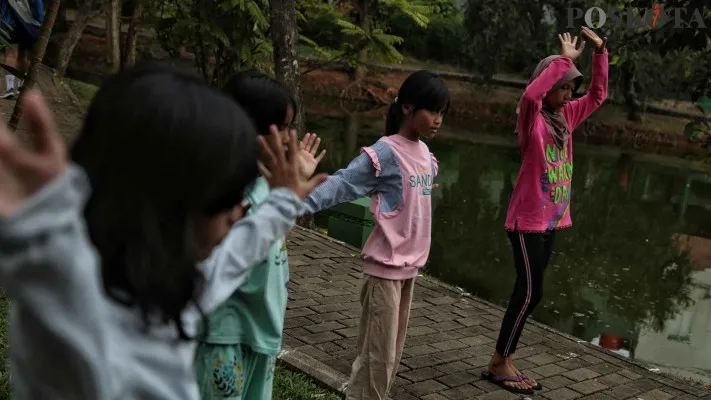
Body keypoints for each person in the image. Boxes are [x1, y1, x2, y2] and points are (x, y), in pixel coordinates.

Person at [0, 62, 326, 399]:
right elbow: (61, 295)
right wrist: (44, 230)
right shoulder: (82, 314)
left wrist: (283, 201)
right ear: (172, 206)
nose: (239, 213)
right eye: (228, 196)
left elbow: (237, 255)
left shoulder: (177, 290)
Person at [302, 70, 449, 400]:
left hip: (409, 271)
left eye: (442, 112)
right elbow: (343, 183)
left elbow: (411, 195)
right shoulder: (385, 153)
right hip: (384, 270)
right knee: (377, 361)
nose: (439, 120)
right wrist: (299, 199)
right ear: (408, 109)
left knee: (388, 359)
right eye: (433, 111)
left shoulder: (427, 157)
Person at [483, 27, 608, 395]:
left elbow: (598, 95)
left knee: (531, 292)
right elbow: (530, 94)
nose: (569, 93)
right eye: (564, 85)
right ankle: (499, 361)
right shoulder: (531, 119)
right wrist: (564, 60)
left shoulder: (566, 119)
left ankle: (502, 358)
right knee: (529, 292)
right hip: (526, 222)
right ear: (549, 81)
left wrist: (600, 54)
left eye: (572, 87)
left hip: (551, 221)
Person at [194, 70, 325, 400]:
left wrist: (290, 193)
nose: (286, 138)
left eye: (289, 128)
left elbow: (274, 240)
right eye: (279, 128)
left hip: (262, 330)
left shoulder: (269, 181)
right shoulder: (221, 189)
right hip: (223, 334)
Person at [0, 0, 44, 98]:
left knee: (10, 53)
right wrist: (39, 25)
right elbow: (38, 9)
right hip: (28, 25)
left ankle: (10, 89)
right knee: (23, 54)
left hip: (10, 23)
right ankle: (22, 85)